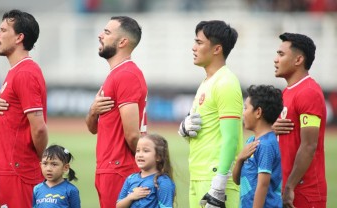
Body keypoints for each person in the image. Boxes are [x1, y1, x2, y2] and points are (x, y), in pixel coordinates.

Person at [178, 20, 243, 208]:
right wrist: (184, 129)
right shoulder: (207, 82)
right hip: (198, 175)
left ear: (217, 49)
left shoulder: (226, 82)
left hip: (215, 180)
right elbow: (206, 131)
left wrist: (219, 184)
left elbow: (231, 139)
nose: (193, 47)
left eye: (199, 42)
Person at [85, 16, 148, 208]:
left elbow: (131, 134)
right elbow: (92, 127)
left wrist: (146, 165)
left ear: (122, 42)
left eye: (107, 32)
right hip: (110, 168)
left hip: (120, 169)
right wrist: (93, 111)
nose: (100, 35)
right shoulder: (116, 74)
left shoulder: (126, 75)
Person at [0, 9, 48, 208]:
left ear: (19, 38)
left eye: (4, 30)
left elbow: (38, 127)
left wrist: (42, 161)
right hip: (9, 170)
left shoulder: (25, 73)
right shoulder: (15, 72)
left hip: (19, 171)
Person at [272, 32, 327, 208]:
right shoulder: (287, 92)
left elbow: (309, 146)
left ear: (298, 60)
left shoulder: (308, 92)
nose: (275, 59)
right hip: (288, 187)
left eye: (281, 54)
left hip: (303, 191)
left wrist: (290, 186)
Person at [232, 85, 283, 208]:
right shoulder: (251, 141)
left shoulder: (266, 145)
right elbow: (237, 180)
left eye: (246, 108)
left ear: (258, 112)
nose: (243, 113)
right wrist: (240, 159)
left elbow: (263, 185)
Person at [117, 134, 176, 208]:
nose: (140, 155)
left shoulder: (163, 182)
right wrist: (131, 197)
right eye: (138, 151)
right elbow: (119, 206)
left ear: (158, 157)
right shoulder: (130, 178)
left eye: (146, 151)